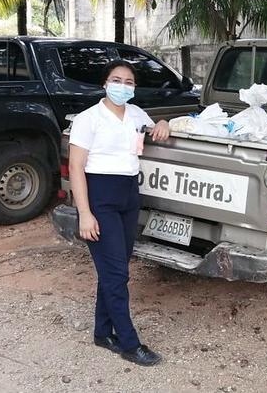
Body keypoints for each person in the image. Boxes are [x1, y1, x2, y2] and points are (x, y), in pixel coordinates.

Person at [68, 59, 171, 366]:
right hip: (100, 196)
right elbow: (76, 167)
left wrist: (164, 124)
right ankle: (129, 342)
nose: (122, 86)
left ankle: (102, 332)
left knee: (114, 269)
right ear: (105, 83)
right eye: (117, 80)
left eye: (129, 82)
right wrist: (84, 213)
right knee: (117, 274)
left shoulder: (136, 113)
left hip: (128, 194)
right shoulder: (89, 119)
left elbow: (153, 129)